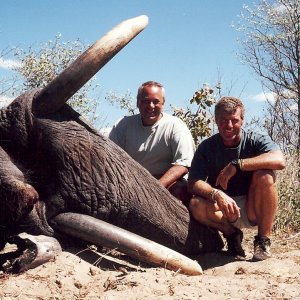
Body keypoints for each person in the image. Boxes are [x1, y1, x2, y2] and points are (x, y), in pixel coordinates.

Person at [188, 96, 286, 261]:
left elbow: (280, 161)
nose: (229, 126)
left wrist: (238, 164)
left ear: (242, 120)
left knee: (265, 175)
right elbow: (193, 183)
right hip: (222, 208)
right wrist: (216, 194)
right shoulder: (207, 146)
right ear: (216, 120)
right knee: (195, 204)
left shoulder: (255, 139)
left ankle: (263, 241)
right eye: (223, 120)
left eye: (234, 120)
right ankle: (232, 235)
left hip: (251, 207)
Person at [109, 81, 195, 204]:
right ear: (138, 102)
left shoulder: (176, 126)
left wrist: (154, 188)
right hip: (131, 183)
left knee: (180, 189)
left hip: (165, 184)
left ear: (163, 103)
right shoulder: (123, 125)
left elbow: (183, 165)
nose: (151, 106)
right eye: (145, 101)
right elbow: (112, 159)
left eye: (156, 101)